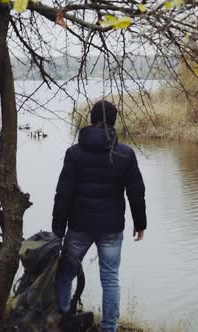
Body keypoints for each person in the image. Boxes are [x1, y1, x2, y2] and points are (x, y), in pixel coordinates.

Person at [52, 100, 147, 332]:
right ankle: (109, 328)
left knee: (65, 274)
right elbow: (136, 191)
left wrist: (58, 230)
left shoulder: (74, 153)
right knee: (110, 278)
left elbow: (63, 194)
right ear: (114, 122)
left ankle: (62, 322)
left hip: (79, 226)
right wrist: (140, 223)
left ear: (91, 120)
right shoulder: (125, 153)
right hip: (111, 227)